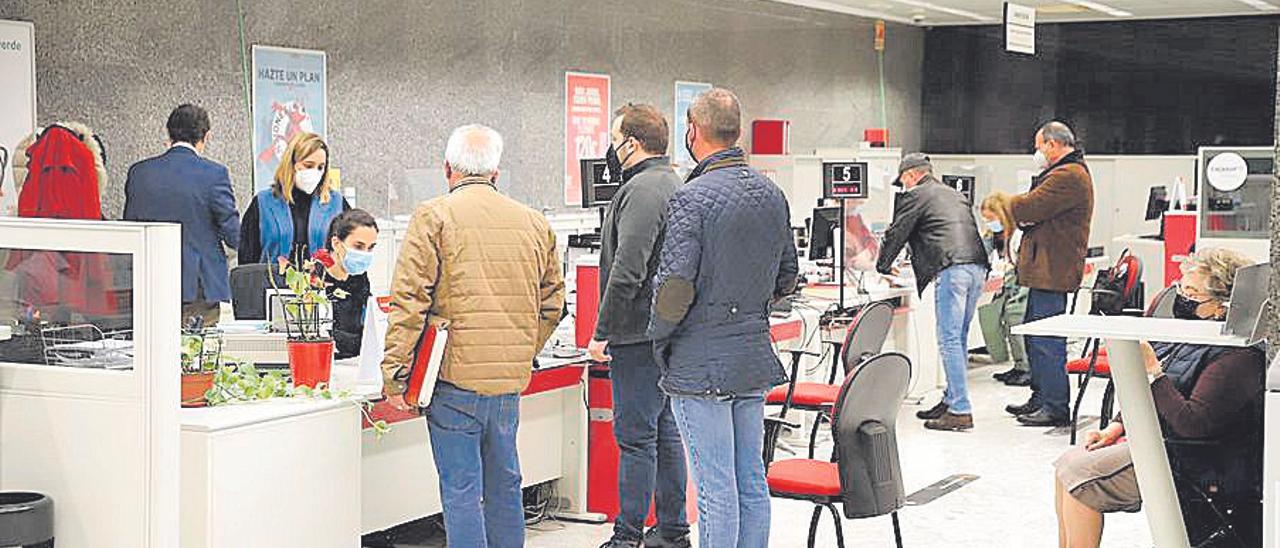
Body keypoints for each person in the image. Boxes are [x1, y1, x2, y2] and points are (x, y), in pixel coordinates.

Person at [380, 124, 564, 548]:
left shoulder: (434, 216)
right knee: (505, 484)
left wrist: (396, 375)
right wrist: (521, 349)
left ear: (448, 169)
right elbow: (553, 304)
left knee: (462, 490)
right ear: (496, 173)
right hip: (508, 385)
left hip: (452, 382)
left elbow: (409, 302)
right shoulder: (534, 223)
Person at [649, 88, 797, 548]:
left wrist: (658, 337)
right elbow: (787, 277)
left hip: (700, 365)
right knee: (750, 478)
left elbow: (673, 291)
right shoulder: (772, 193)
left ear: (694, 131)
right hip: (752, 358)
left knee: (714, 489)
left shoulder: (691, 198)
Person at [1053, 248, 1262, 548]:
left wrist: (1153, 372)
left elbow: (1193, 423)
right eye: (1180, 286)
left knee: (1079, 480)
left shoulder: (1236, 358)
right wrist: (1117, 427)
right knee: (1066, 465)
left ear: (1221, 306)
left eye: (1192, 291)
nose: (1181, 296)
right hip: (1164, 442)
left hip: (1195, 460)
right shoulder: (1189, 334)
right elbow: (1156, 392)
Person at [588, 104, 690, 548]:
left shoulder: (644, 189)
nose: (612, 148)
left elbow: (628, 268)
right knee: (665, 433)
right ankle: (671, 530)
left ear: (631, 142)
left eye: (614, 139)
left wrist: (601, 331)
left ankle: (626, 536)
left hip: (636, 335)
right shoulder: (672, 182)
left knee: (635, 437)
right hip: (665, 333)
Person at [875, 153, 989, 431]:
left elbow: (896, 232)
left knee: (948, 339)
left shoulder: (916, 194)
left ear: (911, 175)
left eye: (902, 181)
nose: (902, 187)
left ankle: (960, 409)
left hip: (952, 268)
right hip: (977, 267)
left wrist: (882, 266)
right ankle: (951, 398)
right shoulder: (953, 194)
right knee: (959, 338)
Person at [1006, 121, 1094, 427]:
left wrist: (1006, 205)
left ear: (1053, 145)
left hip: (1052, 271)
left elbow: (1028, 209)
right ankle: (1040, 397)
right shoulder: (1064, 174)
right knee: (1035, 335)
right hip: (1046, 270)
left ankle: (1055, 405)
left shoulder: (1068, 176)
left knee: (1046, 339)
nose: (1037, 152)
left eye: (1038, 146)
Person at [122, 104, 240, 327]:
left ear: (169, 133)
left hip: (150, 280)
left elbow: (131, 227)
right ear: (206, 136)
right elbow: (233, 233)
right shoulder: (214, 174)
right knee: (197, 353)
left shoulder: (139, 172)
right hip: (199, 285)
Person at [238, 132, 350, 265]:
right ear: (291, 164)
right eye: (308, 165)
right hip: (272, 284)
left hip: (322, 284)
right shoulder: (263, 203)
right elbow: (247, 258)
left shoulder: (337, 203)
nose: (315, 172)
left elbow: (350, 253)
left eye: (321, 167)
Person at [979, 192, 1031, 387]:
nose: (989, 223)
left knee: (1015, 318)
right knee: (989, 314)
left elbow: (1022, 264)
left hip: (1021, 282)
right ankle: (1016, 365)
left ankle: (1026, 367)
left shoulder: (1018, 235)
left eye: (991, 219)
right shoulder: (994, 236)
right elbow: (984, 255)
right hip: (1004, 281)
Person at [317, 209, 378, 359]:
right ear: (337, 244)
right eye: (358, 246)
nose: (365, 254)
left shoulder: (359, 276)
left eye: (371, 247)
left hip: (356, 360)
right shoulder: (315, 275)